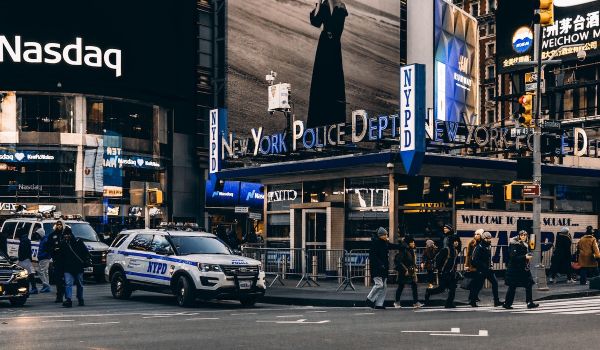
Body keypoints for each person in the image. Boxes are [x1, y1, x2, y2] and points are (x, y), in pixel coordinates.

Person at [306, 0, 348, 128]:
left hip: (329, 46)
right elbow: (318, 23)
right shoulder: (332, 6)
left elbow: (326, 27)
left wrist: (318, 8)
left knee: (327, 81)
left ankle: (325, 120)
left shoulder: (334, 6)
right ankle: (324, 121)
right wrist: (318, 5)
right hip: (329, 45)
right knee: (327, 80)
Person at [503, 230, 539, 309]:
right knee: (512, 286)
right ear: (519, 236)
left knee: (529, 284)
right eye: (522, 235)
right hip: (515, 269)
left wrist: (528, 258)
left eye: (525, 235)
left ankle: (529, 302)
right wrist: (525, 257)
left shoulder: (525, 244)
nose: (523, 236)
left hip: (523, 269)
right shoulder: (514, 244)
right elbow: (513, 257)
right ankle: (507, 303)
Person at [366, 227, 400, 310]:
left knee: (384, 286)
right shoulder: (375, 243)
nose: (386, 236)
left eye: (386, 234)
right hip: (376, 268)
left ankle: (379, 304)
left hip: (383, 268)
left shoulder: (384, 243)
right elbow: (373, 256)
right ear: (380, 235)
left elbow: (392, 246)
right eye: (384, 234)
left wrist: (401, 246)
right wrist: (380, 264)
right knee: (379, 285)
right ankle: (369, 299)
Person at [425, 234, 462, 308]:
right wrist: (439, 269)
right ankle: (429, 292)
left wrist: (455, 272)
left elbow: (454, 263)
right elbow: (438, 259)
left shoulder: (456, 251)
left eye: (457, 241)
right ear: (451, 242)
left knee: (452, 288)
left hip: (451, 273)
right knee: (441, 289)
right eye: (454, 241)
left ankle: (449, 303)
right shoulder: (445, 250)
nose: (456, 243)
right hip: (443, 273)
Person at [59, 226, 91, 307]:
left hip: (73, 266)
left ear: (70, 234)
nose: (66, 236)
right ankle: (72, 299)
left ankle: (77, 299)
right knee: (73, 284)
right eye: (65, 235)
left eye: (67, 234)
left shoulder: (70, 242)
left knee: (72, 284)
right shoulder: (74, 241)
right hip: (74, 267)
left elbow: (61, 256)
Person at [469, 232, 503, 307]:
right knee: (479, 285)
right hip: (481, 269)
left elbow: (488, 258)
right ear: (483, 238)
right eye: (487, 238)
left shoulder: (488, 246)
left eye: (489, 238)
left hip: (487, 269)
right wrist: (482, 266)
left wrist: (490, 264)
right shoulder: (479, 247)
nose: (489, 239)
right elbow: (474, 260)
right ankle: (472, 301)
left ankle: (496, 301)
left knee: (494, 283)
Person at [393, 236, 422, 308]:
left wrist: (415, 267)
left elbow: (411, 261)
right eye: (412, 242)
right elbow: (399, 261)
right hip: (404, 272)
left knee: (414, 285)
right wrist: (405, 270)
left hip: (410, 271)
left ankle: (415, 302)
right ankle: (397, 302)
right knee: (401, 286)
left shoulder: (411, 250)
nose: (413, 243)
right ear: (408, 243)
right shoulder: (404, 250)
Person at [47, 220, 66, 303]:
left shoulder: (66, 234)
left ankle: (66, 295)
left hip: (66, 261)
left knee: (66, 280)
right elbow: (47, 247)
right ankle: (59, 296)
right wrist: (53, 251)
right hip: (57, 260)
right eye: (58, 225)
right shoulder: (52, 235)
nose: (59, 226)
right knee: (58, 280)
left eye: (60, 225)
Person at [17, 227, 38, 294]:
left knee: (24, 275)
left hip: (24, 259)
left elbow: (23, 251)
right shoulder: (26, 239)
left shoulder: (24, 240)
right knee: (30, 274)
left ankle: (29, 289)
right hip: (26, 259)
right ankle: (33, 288)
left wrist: (21, 258)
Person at [36, 227, 52, 293]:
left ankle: (46, 285)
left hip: (44, 258)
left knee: (41, 272)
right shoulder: (44, 240)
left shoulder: (44, 240)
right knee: (45, 272)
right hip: (45, 258)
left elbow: (47, 250)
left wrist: (41, 256)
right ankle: (46, 285)